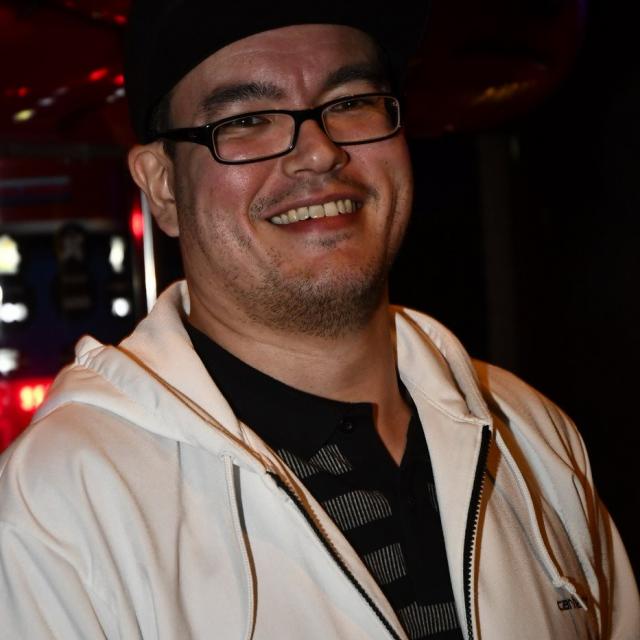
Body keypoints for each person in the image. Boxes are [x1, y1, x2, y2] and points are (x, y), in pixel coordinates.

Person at [1, 1, 638, 638]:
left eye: (351, 102)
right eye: (247, 120)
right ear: (163, 185)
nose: (318, 152)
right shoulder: (62, 505)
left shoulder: (531, 433)